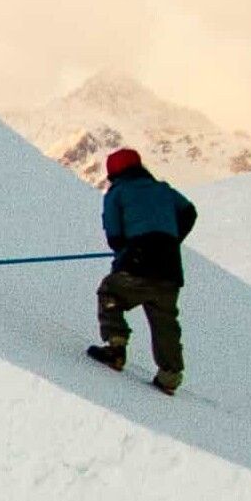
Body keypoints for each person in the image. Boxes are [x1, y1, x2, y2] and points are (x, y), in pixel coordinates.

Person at [89, 148, 196, 394]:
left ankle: (116, 348)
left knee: (110, 292)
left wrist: (125, 250)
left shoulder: (118, 193)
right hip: (170, 267)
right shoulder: (163, 190)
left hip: (138, 261)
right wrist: (171, 238)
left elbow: (115, 235)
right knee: (164, 318)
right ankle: (170, 375)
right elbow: (189, 211)